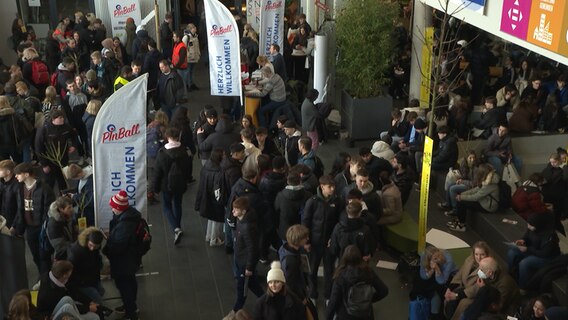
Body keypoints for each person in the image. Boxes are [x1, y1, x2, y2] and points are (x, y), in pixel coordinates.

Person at [102, 190, 144, 320]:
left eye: (113, 207)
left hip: (123, 261)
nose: (112, 209)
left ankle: (131, 313)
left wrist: (106, 250)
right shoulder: (130, 216)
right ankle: (131, 305)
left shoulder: (124, 225)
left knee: (123, 286)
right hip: (131, 258)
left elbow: (117, 246)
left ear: (119, 209)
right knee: (131, 282)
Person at [302, 175, 344, 303]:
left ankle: (327, 295)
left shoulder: (337, 201)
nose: (332, 189)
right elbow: (306, 222)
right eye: (329, 187)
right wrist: (306, 242)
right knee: (312, 270)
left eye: (333, 187)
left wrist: (334, 239)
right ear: (322, 187)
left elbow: (339, 222)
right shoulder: (312, 201)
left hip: (329, 244)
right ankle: (313, 294)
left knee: (329, 270)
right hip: (314, 243)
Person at [11, 162, 56, 278]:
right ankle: (43, 275)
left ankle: (46, 278)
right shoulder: (20, 188)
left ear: (26, 174)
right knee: (35, 255)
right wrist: (15, 225)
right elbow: (20, 209)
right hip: (29, 228)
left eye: (18, 174)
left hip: (41, 228)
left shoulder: (45, 189)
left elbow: (49, 210)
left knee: (44, 255)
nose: (16, 176)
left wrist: (44, 226)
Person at [225, 197, 264, 318]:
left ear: (244, 211)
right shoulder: (241, 220)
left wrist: (249, 267)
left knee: (242, 288)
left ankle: (235, 311)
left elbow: (253, 249)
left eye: (236, 210)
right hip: (240, 259)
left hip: (244, 263)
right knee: (252, 285)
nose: (233, 212)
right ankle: (267, 300)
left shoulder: (247, 227)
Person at [326, 245, 389, 320]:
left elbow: (333, 302)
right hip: (366, 315)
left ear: (344, 259)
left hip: (346, 315)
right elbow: (384, 290)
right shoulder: (368, 272)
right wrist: (368, 300)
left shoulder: (341, 276)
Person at [153, 127, 192, 245]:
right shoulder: (185, 151)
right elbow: (188, 168)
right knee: (177, 204)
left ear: (167, 137)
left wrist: (155, 188)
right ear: (178, 136)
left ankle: (176, 228)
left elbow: (157, 172)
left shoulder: (162, 153)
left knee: (166, 206)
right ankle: (178, 227)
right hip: (180, 183)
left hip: (166, 185)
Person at [507, 213, 560, 289]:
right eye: (528, 224)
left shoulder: (549, 236)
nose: (528, 226)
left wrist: (528, 249)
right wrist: (523, 240)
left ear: (538, 225)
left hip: (547, 257)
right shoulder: (532, 227)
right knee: (511, 252)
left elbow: (545, 253)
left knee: (524, 263)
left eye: (531, 225)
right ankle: (511, 276)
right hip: (533, 250)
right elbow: (527, 235)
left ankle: (523, 287)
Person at [444, 241, 492, 320]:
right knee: (449, 297)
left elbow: (477, 287)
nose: (478, 257)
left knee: (462, 304)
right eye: (476, 254)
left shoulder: (487, 267)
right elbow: (460, 273)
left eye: (482, 254)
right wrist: (450, 287)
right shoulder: (469, 260)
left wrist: (458, 295)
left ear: (487, 254)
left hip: (473, 295)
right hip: (462, 289)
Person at [35, 109, 80, 189]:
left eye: (63, 117)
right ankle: (48, 198)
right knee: (49, 181)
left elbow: (74, 136)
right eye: (60, 118)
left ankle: (64, 195)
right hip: (50, 159)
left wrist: (74, 145)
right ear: (53, 119)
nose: (62, 119)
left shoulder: (66, 127)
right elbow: (39, 147)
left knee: (63, 179)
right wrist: (44, 164)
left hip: (63, 159)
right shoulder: (44, 129)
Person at [449, 163, 500, 232]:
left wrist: (461, 197)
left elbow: (476, 197)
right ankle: (459, 219)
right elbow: (476, 189)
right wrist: (462, 194)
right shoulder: (488, 179)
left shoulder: (490, 184)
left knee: (462, 203)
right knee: (461, 200)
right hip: (483, 201)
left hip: (487, 207)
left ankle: (461, 225)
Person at [195, 149, 226, 247]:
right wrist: (221, 200)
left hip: (206, 195)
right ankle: (214, 239)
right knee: (217, 219)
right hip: (214, 198)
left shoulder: (206, 166)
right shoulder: (218, 171)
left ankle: (209, 236)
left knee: (211, 218)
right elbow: (218, 188)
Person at [67, 227, 105, 305]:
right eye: (90, 245)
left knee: (101, 291)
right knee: (98, 300)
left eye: (95, 247)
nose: (92, 249)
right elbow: (70, 271)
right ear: (87, 240)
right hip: (81, 282)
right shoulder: (76, 251)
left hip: (91, 278)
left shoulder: (94, 248)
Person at [439, 150, 480, 217]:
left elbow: (474, 183)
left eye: (473, 158)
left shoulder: (476, 168)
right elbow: (464, 176)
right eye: (470, 158)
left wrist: (462, 181)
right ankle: (448, 204)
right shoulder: (466, 164)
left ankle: (455, 210)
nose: (472, 160)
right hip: (466, 182)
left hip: (472, 187)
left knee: (453, 189)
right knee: (450, 185)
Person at [275, 171, 311, 240]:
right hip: (302, 231)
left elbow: (277, 212)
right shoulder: (308, 195)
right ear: (300, 181)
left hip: (285, 231)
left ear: (288, 181)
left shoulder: (280, 196)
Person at [278, 224, 310, 300]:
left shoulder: (284, 247)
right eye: (305, 238)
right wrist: (302, 297)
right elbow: (292, 284)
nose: (307, 239)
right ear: (298, 240)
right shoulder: (291, 261)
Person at [47, 196, 77, 261]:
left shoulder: (70, 215)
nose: (72, 209)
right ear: (61, 209)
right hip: (62, 256)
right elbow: (60, 247)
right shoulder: (53, 225)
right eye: (69, 207)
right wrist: (78, 245)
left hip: (72, 249)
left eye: (72, 206)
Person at [0, 160, 19, 230]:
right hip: (2, 218)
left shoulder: (17, 185)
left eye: (0, 170)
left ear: (8, 172)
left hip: (12, 221)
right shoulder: (1, 183)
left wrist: (14, 226)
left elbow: (20, 208)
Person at [182, 23, 200, 91]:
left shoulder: (195, 36)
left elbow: (197, 46)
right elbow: (184, 48)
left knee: (191, 71)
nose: (195, 29)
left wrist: (198, 54)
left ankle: (191, 84)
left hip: (194, 57)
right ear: (190, 29)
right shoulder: (186, 37)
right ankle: (187, 85)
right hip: (189, 58)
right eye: (193, 28)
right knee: (188, 71)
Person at [171, 31, 188, 97]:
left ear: (178, 38)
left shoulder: (182, 47)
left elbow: (181, 60)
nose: (173, 38)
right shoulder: (177, 45)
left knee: (182, 83)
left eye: (174, 37)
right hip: (178, 67)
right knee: (181, 82)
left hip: (181, 68)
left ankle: (184, 96)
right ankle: (182, 96)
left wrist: (175, 66)